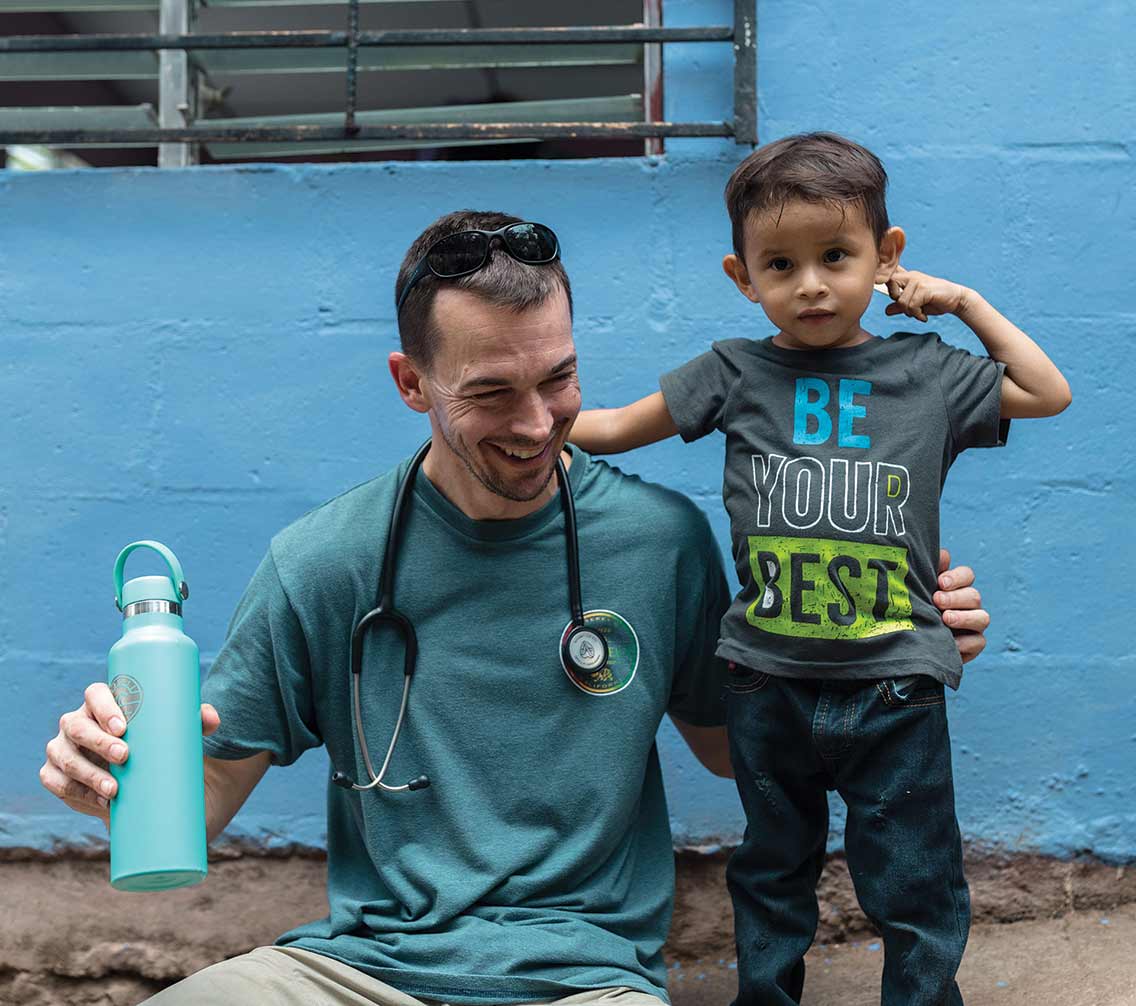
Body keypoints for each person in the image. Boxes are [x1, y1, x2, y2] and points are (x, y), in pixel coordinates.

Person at [39, 209, 992, 1006]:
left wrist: (882, 648)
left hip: (584, 979)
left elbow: (740, 748)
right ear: (411, 385)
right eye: (492, 393)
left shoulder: (660, 543)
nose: (538, 424)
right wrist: (107, 774)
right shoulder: (323, 563)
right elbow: (198, 806)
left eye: (559, 379)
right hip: (354, 973)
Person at [569, 133, 1071, 1006]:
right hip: (766, 684)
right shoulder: (732, 372)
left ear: (887, 256)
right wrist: (525, 419)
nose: (809, 284)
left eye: (836, 256)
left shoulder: (928, 373)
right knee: (771, 872)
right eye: (780, 264)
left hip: (896, 684)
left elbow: (1047, 389)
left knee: (914, 882)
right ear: (742, 276)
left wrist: (962, 303)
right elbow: (610, 428)